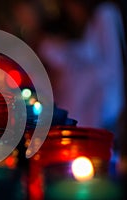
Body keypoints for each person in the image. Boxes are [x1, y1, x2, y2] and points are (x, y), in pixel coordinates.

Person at [38, 0, 125, 138]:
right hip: (95, 103)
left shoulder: (105, 13)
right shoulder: (93, 19)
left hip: (105, 104)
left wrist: (62, 51)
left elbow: (109, 65)